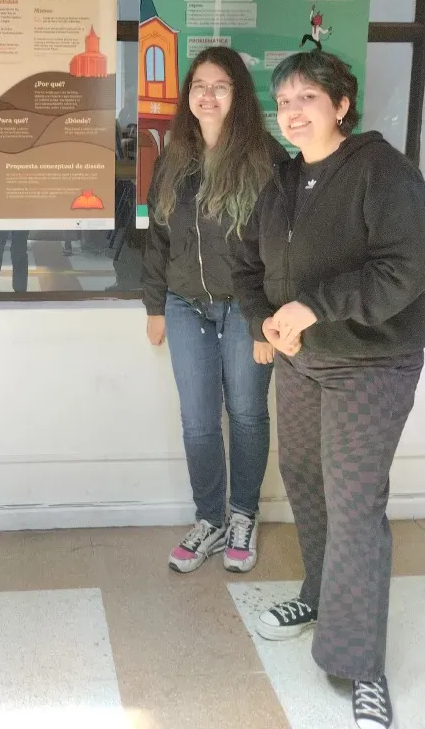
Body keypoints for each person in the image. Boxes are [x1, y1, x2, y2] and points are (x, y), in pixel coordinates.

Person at [232, 51, 425, 729]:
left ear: (341, 105)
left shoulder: (382, 171)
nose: (292, 111)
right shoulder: (281, 179)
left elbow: (405, 269)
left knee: (354, 506)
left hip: (370, 363)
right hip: (302, 364)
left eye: (307, 97)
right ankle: (318, 594)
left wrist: (313, 305)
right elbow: (245, 264)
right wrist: (262, 319)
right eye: (283, 100)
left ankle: (360, 665)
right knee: (306, 482)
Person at [142, 46, 289, 575]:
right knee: (199, 420)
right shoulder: (174, 156)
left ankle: (243, 515)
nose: (207, 95)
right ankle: (210, 519)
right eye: (199, 85)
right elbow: (158, 237)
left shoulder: (266, 158)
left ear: (238, 95)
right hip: (185, 306)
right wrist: (155, 305)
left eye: (220, 86)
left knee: (247, 413)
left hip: (246, 311)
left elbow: (281, 249)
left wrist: (265, 321)